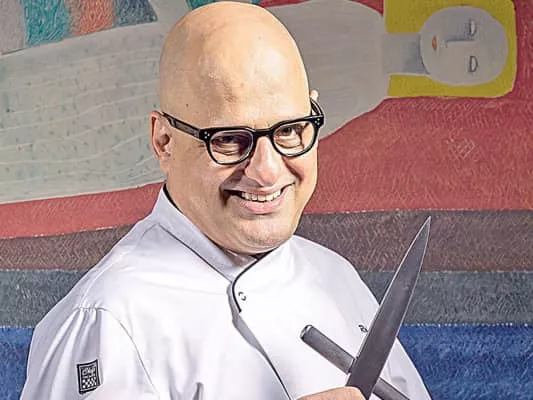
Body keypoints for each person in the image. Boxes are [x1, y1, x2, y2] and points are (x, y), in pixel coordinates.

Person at [21, 2, 431, 399]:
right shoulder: (107, 320)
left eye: (290, 130)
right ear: (164, 141)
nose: (267, 171)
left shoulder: (335, 276)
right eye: (230, 140)